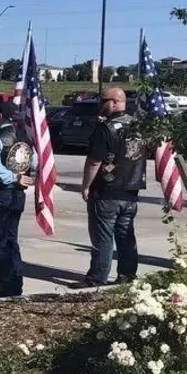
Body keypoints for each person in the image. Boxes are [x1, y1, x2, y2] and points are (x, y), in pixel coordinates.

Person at [81, 87, 146, 286]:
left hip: (107, 191)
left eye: (104, 101)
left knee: (103, 238)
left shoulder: (106, 128)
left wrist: (86, 186)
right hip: (131, 189)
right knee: (126, 236)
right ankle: (127, 276)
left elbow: (94, 161)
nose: (101, 105)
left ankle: (97, 279)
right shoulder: (138, 127)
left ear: (115, 101)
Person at [0, 102, 37, 298]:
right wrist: (25, 176)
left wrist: (13, 177)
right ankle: (15, 282)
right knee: (11, 240)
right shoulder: (26, 138)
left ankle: (4, 285)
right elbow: (35, 161)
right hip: (18, 195)